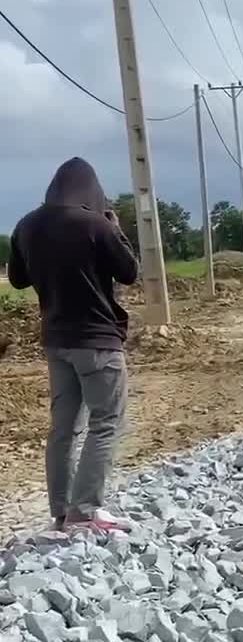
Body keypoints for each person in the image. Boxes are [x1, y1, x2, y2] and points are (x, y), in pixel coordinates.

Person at [8, 158, 138, 533]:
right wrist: (117, 230)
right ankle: (86, 509)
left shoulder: (26, 226)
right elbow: (129, 272)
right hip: (97, 341)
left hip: (56, 342)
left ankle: (61, 512)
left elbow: (17, 280)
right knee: (105, 422)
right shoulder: (96, 224)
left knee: (63, 429)